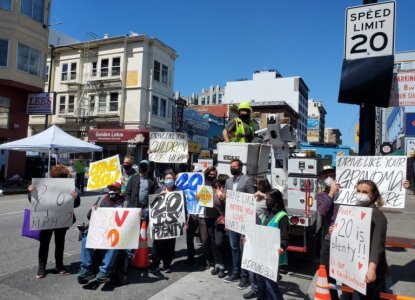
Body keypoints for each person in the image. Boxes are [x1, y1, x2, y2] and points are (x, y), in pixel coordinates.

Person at [28, 164, 80, 279]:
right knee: (44, 243)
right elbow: (33, 200)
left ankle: (59, 266)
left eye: (63, 177)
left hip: (62, 219)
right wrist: (31, 191)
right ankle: (42, 268)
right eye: (59, 177)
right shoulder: (43, 184)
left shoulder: (69, 187)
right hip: (47, 219)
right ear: (53, 176)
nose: (62, 179)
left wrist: (75, 197)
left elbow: (76, 204)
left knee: (60, 243)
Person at [77, 182, 124, 284]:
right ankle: (86, 268)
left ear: (119, 191)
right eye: (110, 189)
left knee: (113, 242)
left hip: (116, 231)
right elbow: (91, 217)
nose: (112, 191)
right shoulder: (104, 200)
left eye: (114, 189)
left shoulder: (124, 201)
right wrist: (92, 210)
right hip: (102, 229)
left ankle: (104, 271)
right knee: (86, 240)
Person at [220, 159, 255, 289]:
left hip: (244, 220)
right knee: (234, 247)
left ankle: (244, 277)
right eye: (231, 166)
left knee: (243, 248)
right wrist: (223, 196)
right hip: (232, 218)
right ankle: (235, 272)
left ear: (240, 167)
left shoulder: (247, 180)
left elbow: (252, 198)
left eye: (234, 166)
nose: (232, 168)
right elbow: (225, 195)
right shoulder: (228, 181)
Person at [254, 189, 289, 300]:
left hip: (273, 255)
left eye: (269, 198)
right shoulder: (267, 213)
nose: (267, 200)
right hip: (262, 253)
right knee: (260, 279)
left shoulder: (282, 216)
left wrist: (281, 248)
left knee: (270, 284)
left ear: (276, 200)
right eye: (267, 198)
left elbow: (285, 238)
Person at [243, 176, 272, 299]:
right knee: (250, 264)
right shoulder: (251, 197)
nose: (255, 186)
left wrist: (265, 196)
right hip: (249, 233)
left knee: (260, 265)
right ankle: (254, 288)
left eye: (257, 184)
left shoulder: (268, 198)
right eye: (254, 184)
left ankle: (262, 290)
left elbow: (278, 205)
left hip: (261, 234)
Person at [315, 165, 340, 300]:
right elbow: (323, 211)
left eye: (331, 175)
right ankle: (333, 296)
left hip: (346, 238)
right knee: (326, 270)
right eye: (325, 176)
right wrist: (331, 193)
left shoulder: (347, 192)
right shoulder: (321, 195)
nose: (328, 178)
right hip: (328, 238)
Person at [186, 166, 217, 268]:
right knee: (189, 237)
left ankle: (207, 259)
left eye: (213, 174)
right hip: (194, 213)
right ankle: (190, 258)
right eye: (210, 174)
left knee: (204, 240)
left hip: (204, 215)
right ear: (206, 173)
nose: (211, 176)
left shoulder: (215, 185)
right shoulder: (199, 182)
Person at [149, 170, 178, 273]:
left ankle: (167, 265)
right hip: (160, 222)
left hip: (172, 222)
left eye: (171, 178)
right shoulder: (159, 190)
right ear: (164, 180)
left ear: (174, 180)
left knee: (169, 245)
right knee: (157, 245)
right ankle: (155, 264)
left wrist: (185, 222)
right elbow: (151, 202)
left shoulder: (178, 192)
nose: (169, 180)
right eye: (167, 178)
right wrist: (158, 196)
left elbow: (183, 208)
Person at [210, 174, 229, 278]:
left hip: (226, 220)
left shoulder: (226, 192)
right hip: (216, 219)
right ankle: (217, 264)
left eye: (219, 185)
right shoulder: (213, 191)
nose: (217, 188)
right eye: (215, 186)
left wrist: (223, 197)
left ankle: (222, 265)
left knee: (219, 243)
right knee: (214, 243)